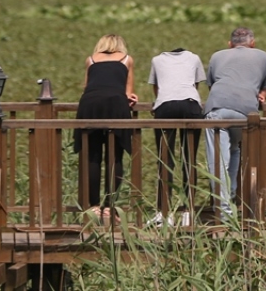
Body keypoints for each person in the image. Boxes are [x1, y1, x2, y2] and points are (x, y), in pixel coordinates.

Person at [203, 27, 266, 221]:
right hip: (245, 111)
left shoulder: (217, 56)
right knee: (234, 150)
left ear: (230, 44)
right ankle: (232, 200)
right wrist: (261, 96)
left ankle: (224, 212)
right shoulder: (262, 56)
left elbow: (212, 85)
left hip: (218, 108)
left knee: (218, 160)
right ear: (252, 43)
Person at [74, 34, 137, 220]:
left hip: (90, 104)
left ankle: (93, 206)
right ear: (121, 46)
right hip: (115, 104)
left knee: (92, 155)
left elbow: (87, 87)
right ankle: (109, 207)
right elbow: (128, 92)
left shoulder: (91, 60)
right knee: (115, 156)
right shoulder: (126, 60)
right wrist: (132, 97)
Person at [147, 46, 206, 227]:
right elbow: (195, 86)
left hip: (165, 106)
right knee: (189, 159)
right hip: (190, 104)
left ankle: (164, 212)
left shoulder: (157, 60)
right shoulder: (194, 57)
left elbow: (157, 88)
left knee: (165, 160)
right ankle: (188, 211)